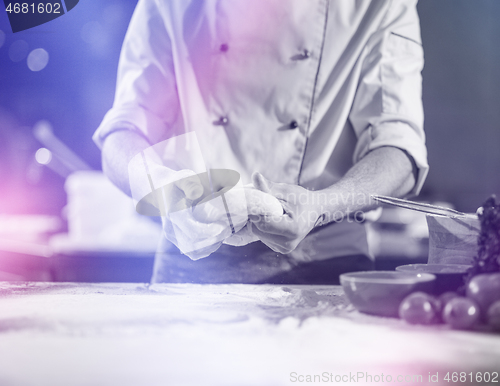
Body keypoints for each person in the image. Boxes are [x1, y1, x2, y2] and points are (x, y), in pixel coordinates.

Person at [93, 0, 428, 284]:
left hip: (326, 262)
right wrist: (162, 190)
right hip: (191, 262)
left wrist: (321, 207)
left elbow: (399, 149)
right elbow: (123, 131)